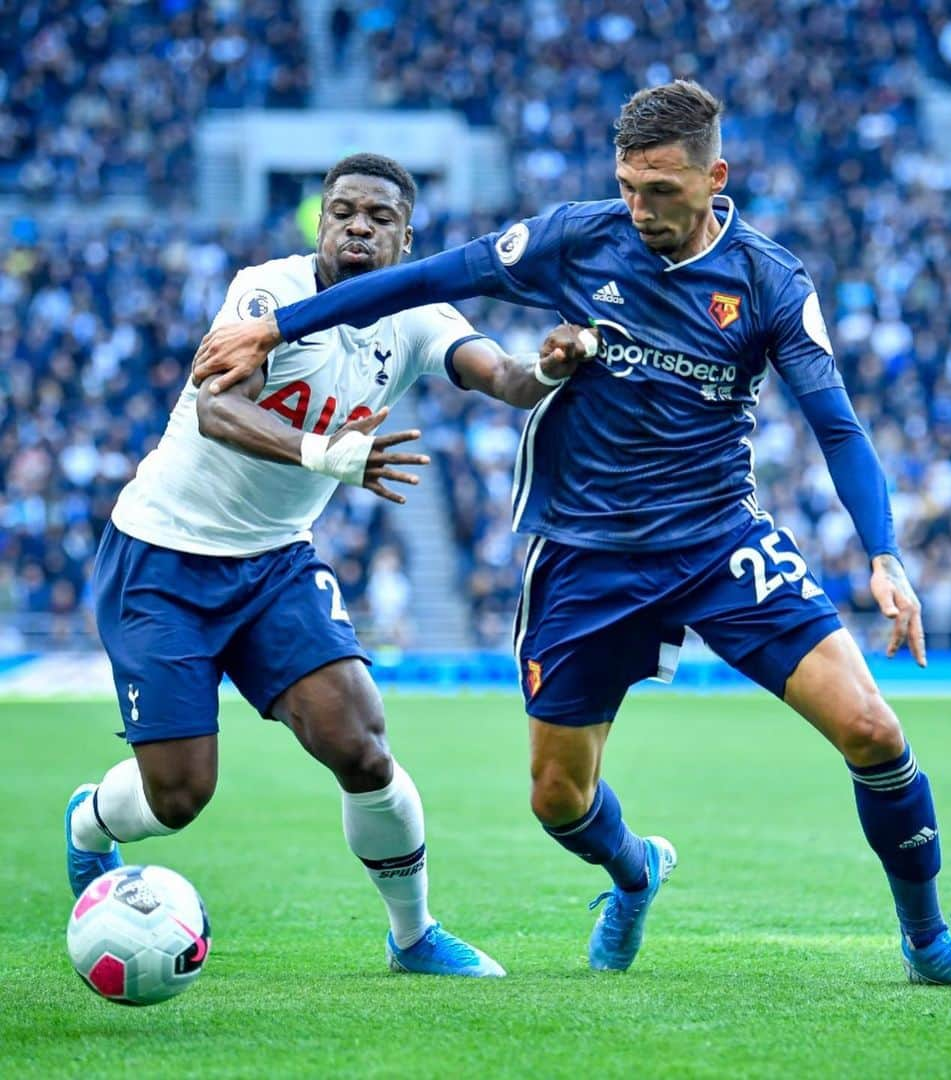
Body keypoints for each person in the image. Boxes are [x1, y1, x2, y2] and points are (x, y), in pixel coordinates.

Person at [192, 86, 951, 988]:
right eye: (629, 186)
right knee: (559, 800)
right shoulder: (576, 237)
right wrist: (277, 323)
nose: (641, 209)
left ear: (717, 177)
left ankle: (929, 942)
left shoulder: (769, 280)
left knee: (871, 727)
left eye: (662, 189)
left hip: (718, 541)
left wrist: (883, 553)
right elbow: (427, 279)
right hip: (585, 555)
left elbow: (835, 424)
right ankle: (635, 873)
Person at [66, 152, 588, 978]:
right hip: (162, 556)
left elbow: (503, 377)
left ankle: (413, 939)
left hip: (272, 565)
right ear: (321, 222)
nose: (357, 225)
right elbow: (216, 406)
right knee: (178, 796)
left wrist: (549, 368)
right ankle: (89, 823)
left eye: (379, 217)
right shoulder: (267, 291)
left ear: (405, 237)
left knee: (361, 746)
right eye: (342, 210)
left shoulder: (419, 314)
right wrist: (325, 451)